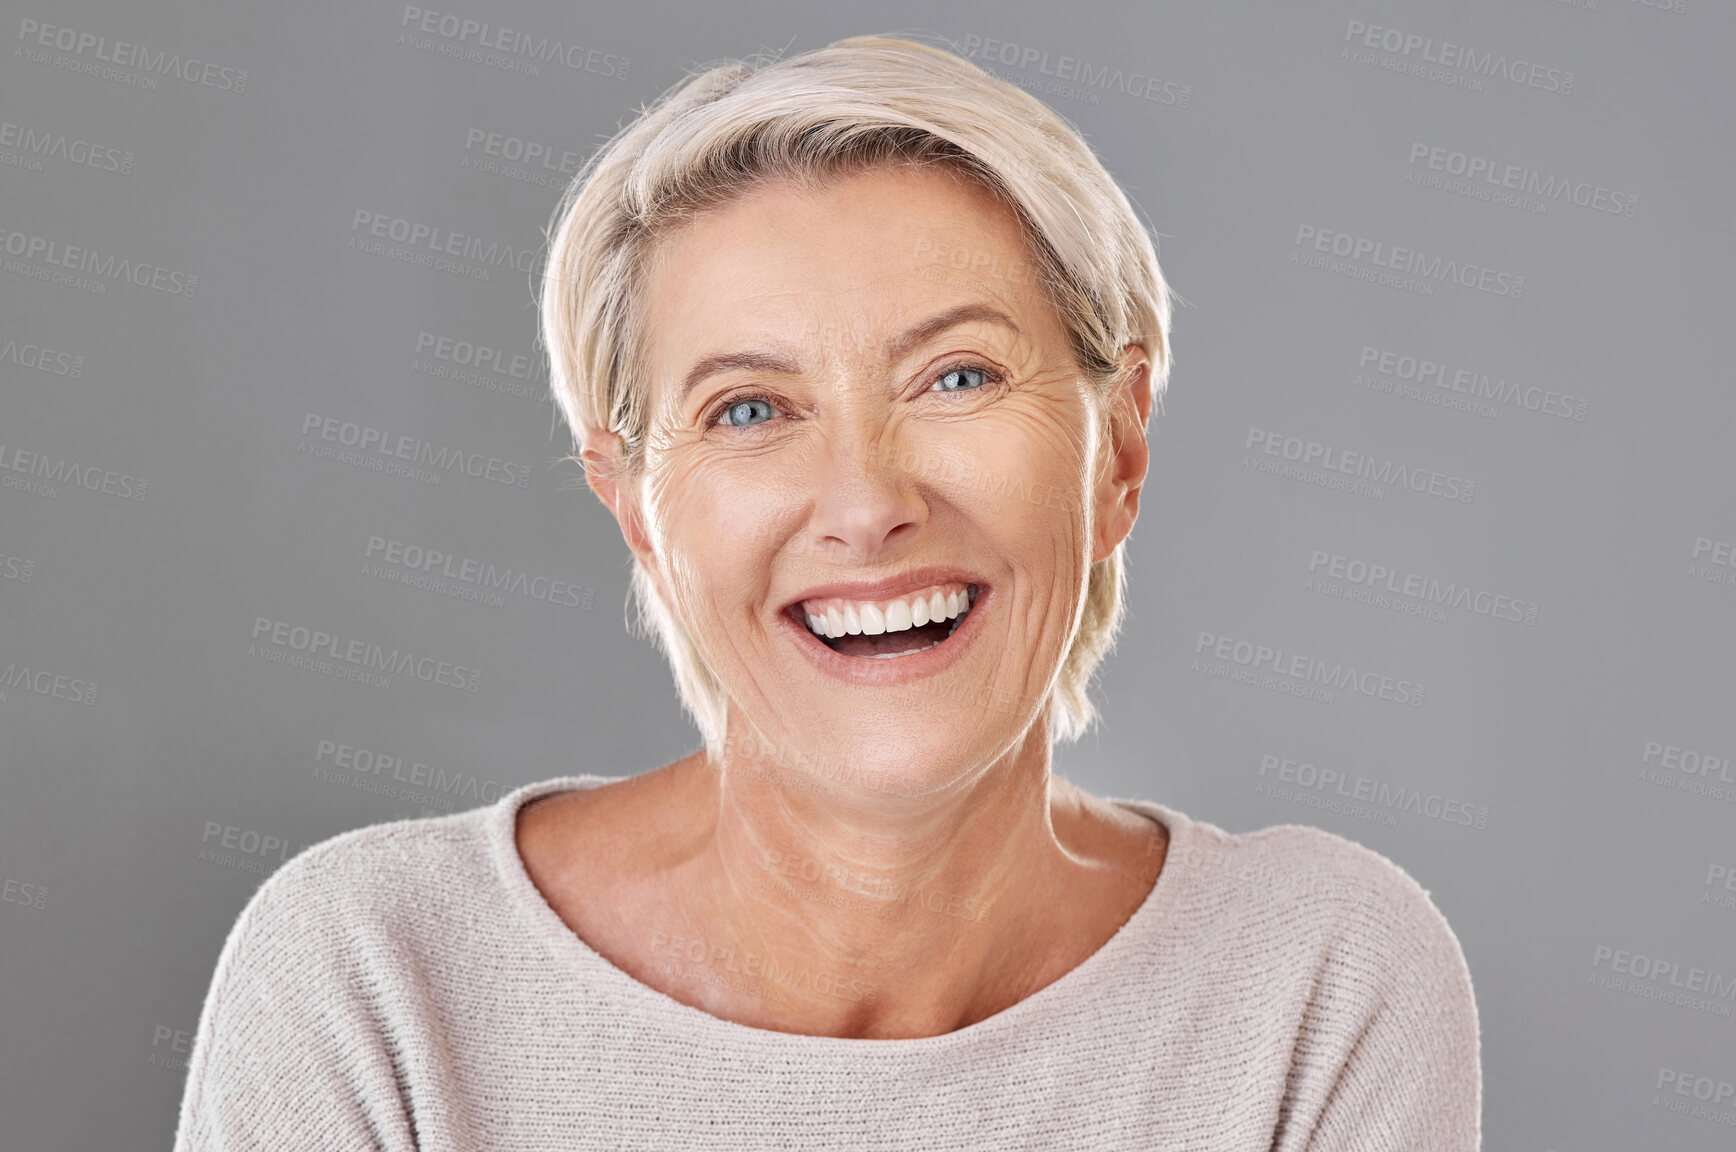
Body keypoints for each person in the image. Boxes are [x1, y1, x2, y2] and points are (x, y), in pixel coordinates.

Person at [173, 35, 1480, 1150]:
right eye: (750, 408)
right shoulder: (374, 977)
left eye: (957, 377)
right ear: (635, 504)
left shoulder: (1316, 981)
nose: (867, 504)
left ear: (1118, 449)